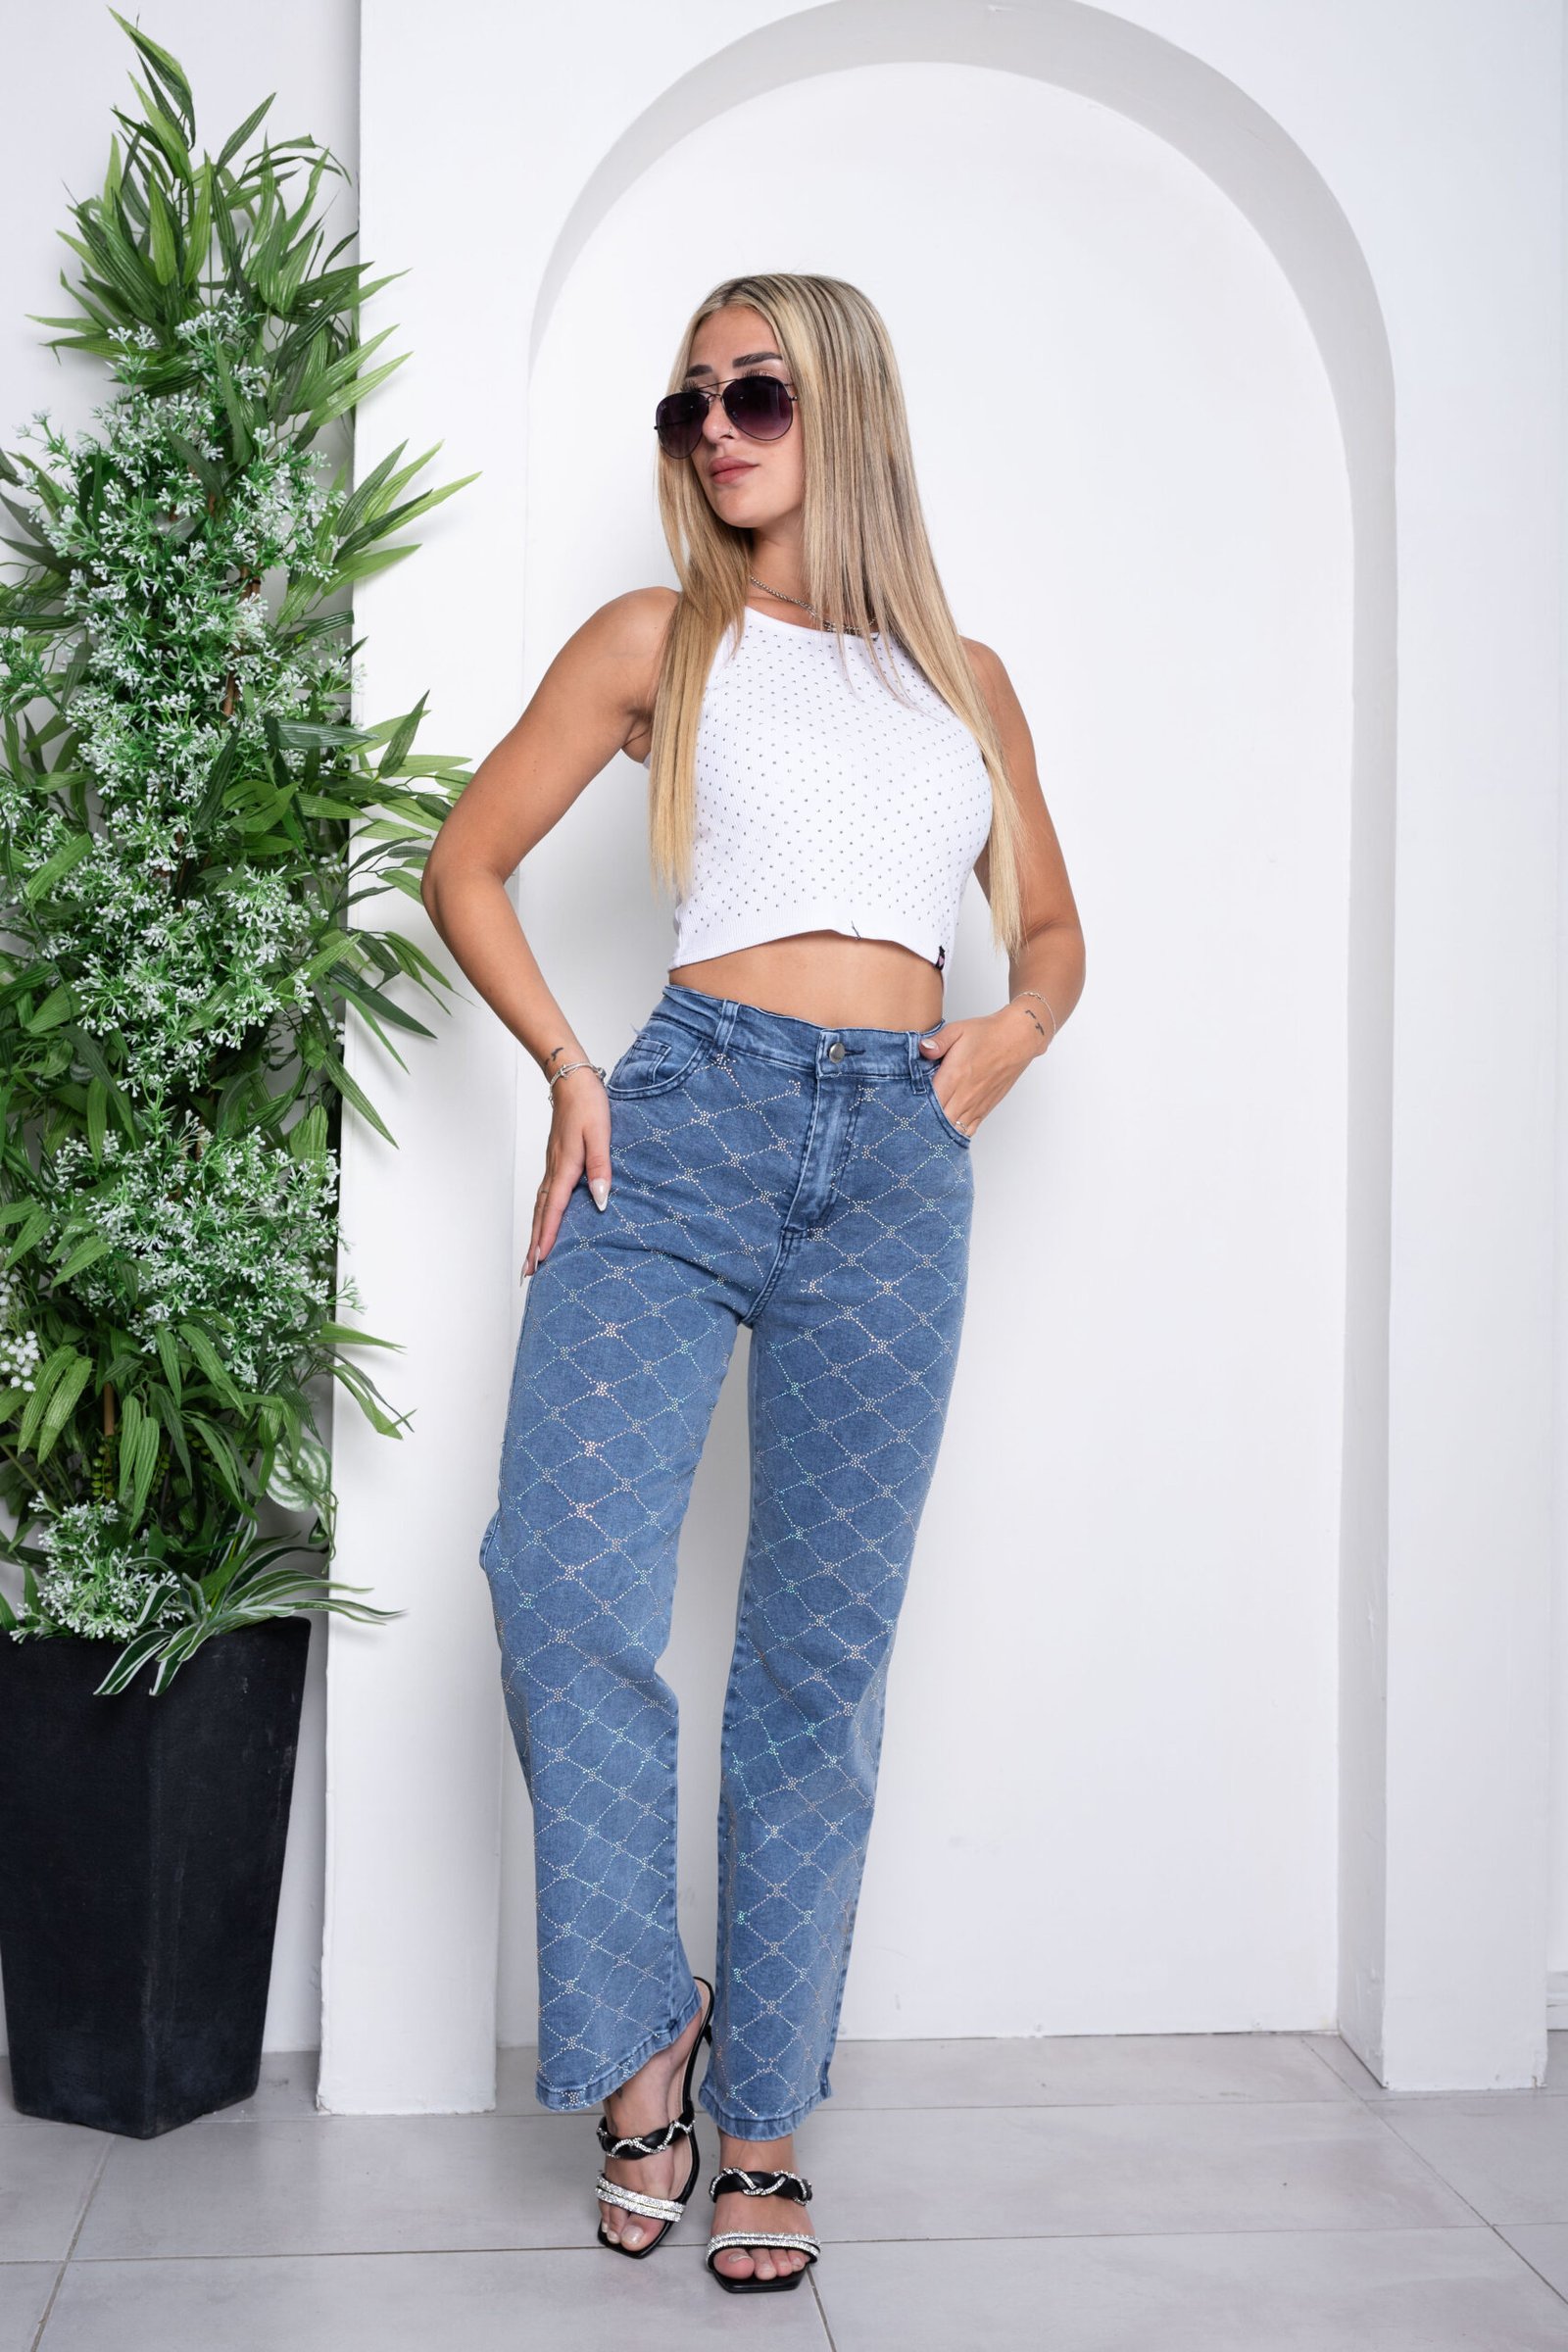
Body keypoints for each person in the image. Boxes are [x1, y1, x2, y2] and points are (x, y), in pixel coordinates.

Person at [419, 270, 1085, 2294]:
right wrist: (568, 1069)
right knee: (560, 1583)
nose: (713, 427)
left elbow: (1051, 931)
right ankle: (648, 2047)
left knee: (815, 1655)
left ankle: (767, 2115)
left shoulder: (963, 678)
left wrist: (1005, 1035)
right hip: (682, 1123)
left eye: (755, 393)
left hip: (895, 1158)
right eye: (688, 402)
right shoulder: (659, 641)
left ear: (842, 407)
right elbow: (464, 861)